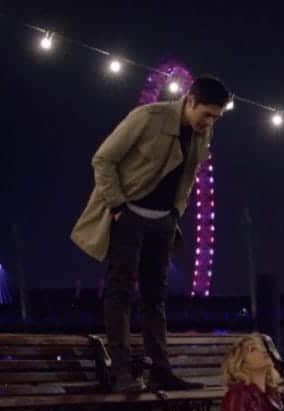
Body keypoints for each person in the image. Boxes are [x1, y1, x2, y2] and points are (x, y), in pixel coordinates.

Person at [71, 77, 230, 392]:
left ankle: (161, 370)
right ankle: (121, 373)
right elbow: (103, 159)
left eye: (216, 117)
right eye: (207, 114)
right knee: (120, 294)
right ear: (190, 100)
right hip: (130, 217)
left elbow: (189, 173)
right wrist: (118, 206)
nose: (210, 122)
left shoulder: (203, 132)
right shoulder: (147, 117)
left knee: (155, 300)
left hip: (163, 223)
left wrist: (174, 214)